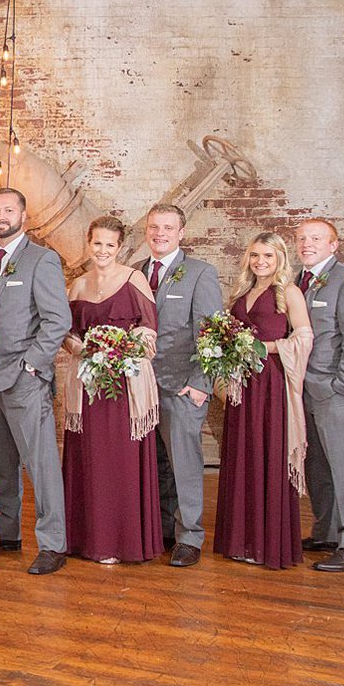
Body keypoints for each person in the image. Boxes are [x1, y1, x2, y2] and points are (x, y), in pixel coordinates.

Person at [0, 188, 72, 575]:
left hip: (24, 378)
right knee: (0, 461)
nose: (1, 215)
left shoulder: (42, 259)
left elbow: (57, 321)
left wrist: (32, 365)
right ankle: (8, 528)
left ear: (23, 214)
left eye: (9, 209)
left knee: (41, 464)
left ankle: (53, 543)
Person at [59, 216, 164, 565]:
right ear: (89, 244)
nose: (102, 251)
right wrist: (83, 348)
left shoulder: (134, 280)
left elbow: (149, 331)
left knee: (119, 462)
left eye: (110, 245)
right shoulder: (75, 286)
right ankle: (90, 539)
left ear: (120, 248)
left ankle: (122, 541)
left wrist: (121, 347)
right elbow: (67, 334)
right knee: (90, 461)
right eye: (97, 244)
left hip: (124, 387)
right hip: (88, 387)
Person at [213, 232, 314, 570]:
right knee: (242, 455)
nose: (260, 262)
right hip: (242, 384)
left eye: (268, 256)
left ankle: (267, 543)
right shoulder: (241, 292)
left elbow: (303, 337)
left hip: (271, 384)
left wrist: (268, 348)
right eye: (255, 255)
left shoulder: (289, 293)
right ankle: (240, 541)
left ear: (280, 259)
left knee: (266, 454)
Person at [136, 203, 224, 568]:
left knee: (185, 463)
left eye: (167, 228)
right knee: (156, 464)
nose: (160, 233)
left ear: (181, 232)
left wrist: (201, 384)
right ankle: (163, 530)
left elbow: (212, 332)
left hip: (183, 387)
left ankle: (190, 536)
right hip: (143, 388)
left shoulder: (200, 273)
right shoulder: (137, 273)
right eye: (154, 227)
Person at [295, 219, 344, 573]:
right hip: (304, 392)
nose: (307, 244)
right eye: (301, 238)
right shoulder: (298, 281)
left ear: (333, 245)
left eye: (315, 238)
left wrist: (341, 386)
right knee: (318, 467)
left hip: (335, 393)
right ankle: (327, 532)